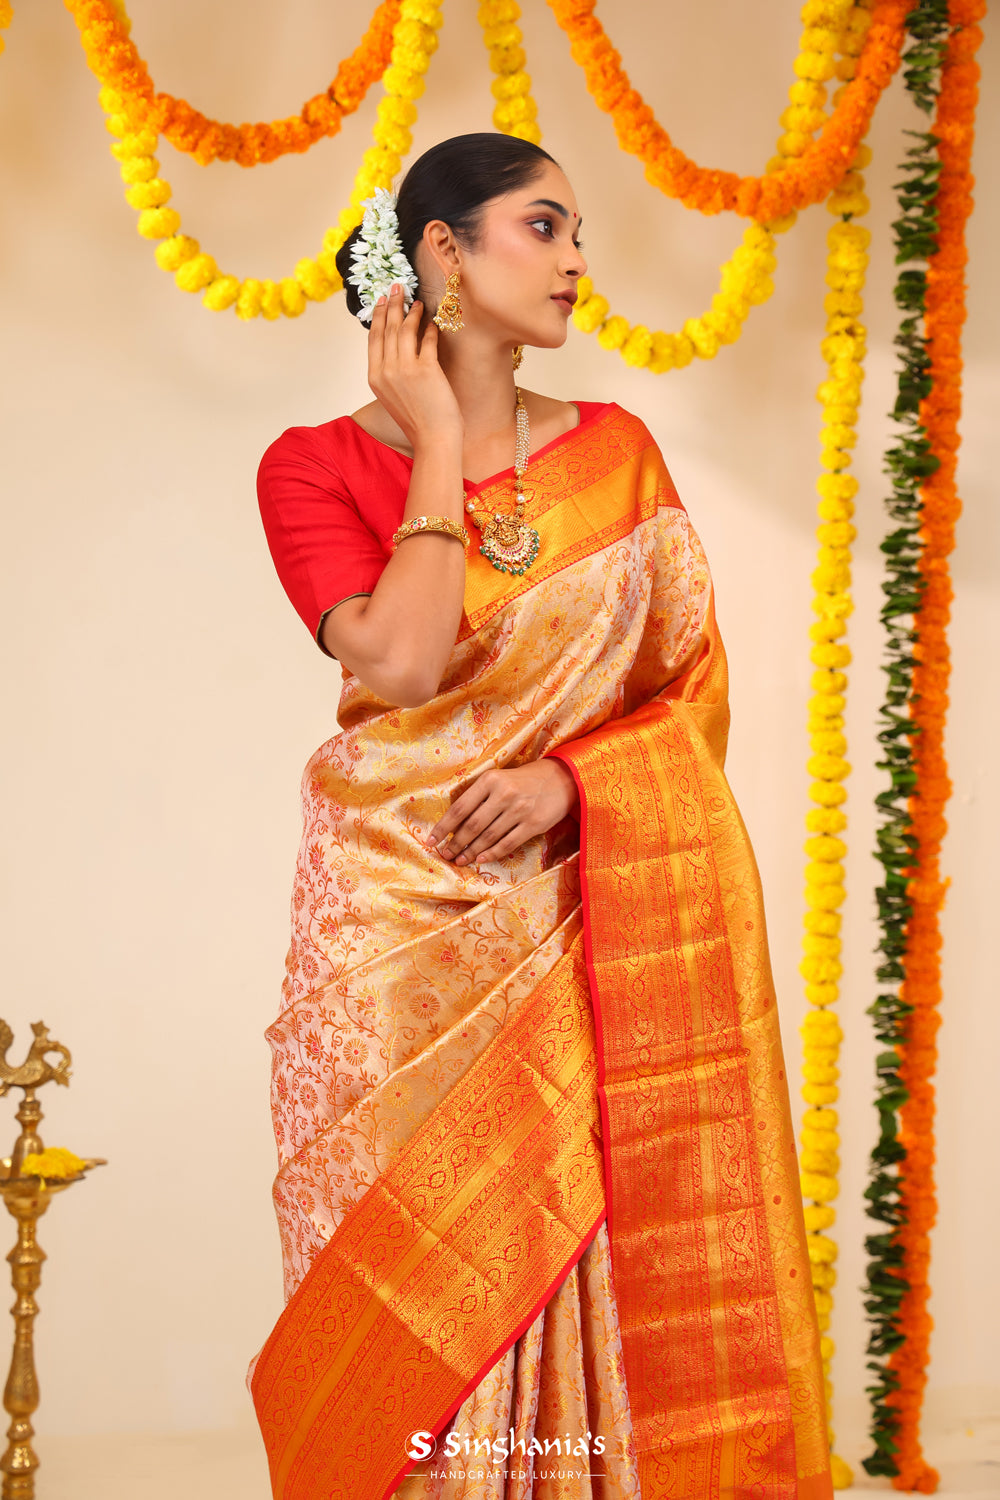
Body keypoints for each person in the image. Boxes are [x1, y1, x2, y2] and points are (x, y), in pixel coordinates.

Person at [248, 132, 834, 1500]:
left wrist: (575, 782)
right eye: (545, 225)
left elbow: (689, 690)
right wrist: (440, 440)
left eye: (578, 232)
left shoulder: (620, 459)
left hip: (577, 921)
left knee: (585, 1253)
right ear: (442, 252)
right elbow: (401, 664)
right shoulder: (310, 466)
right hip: (392, 939)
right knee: (414, 1288)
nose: (578, 259)